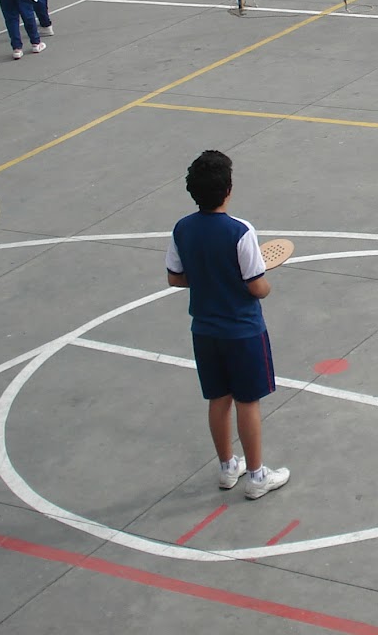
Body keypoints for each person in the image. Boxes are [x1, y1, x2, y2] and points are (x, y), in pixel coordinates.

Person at [165, 150, 290, 501]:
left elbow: (175, 278)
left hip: (204, 330)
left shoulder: (182, 228)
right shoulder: (240, 231)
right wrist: (264, 282)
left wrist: (209, 279)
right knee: (247, 401)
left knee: (218, 399)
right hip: (242, 331)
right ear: (228, 189)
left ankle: (226, 467)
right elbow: (256, 287)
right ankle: (256, 476)